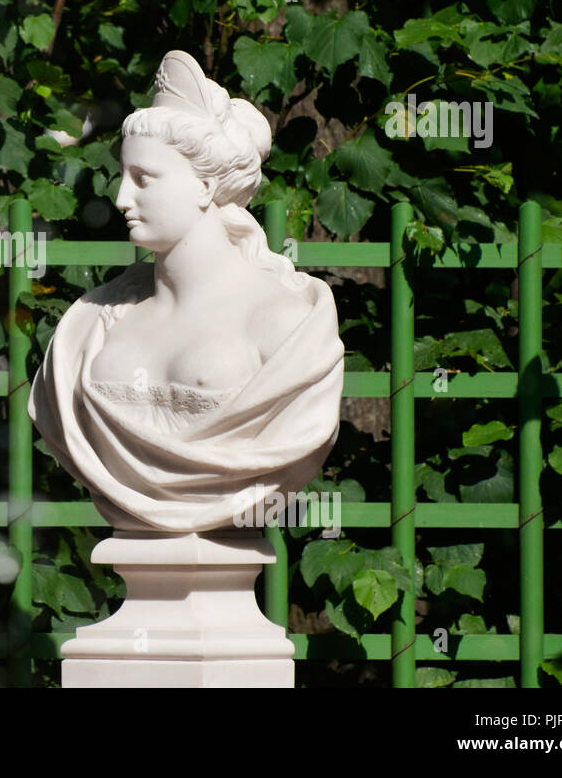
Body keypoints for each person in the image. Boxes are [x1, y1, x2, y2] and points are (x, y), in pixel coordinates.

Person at [28, 50, 344, 533]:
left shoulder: (286, 327)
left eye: (144, 180)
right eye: (122, 178)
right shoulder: (87, 328)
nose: (120, 199)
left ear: (204, 186)